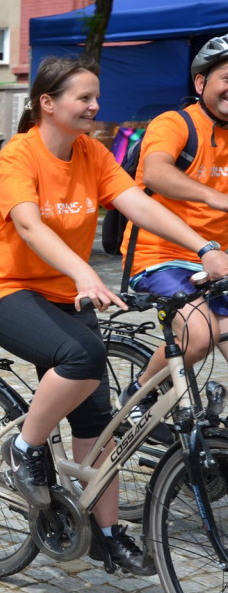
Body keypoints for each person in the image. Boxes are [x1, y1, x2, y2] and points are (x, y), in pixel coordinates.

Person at [0, 57, 228, 576]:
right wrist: (86, 274)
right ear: (48, 103)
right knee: (84, 355)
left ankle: (107, 535)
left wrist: (204, 248)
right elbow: (31, 227)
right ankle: (24, 447)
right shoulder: (19, 155)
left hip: (64, 293)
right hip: (2, 289)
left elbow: (138, 203)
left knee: (97, 422)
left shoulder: (91, 153)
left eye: (95, 97)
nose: (95, 107)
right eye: (84, 98)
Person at [117, 34, 228, 425]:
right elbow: (156, 172)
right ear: (201, 83)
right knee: (199, 336)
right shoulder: (175, 123)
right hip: (160, 256)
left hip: (219, 263)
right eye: (227, 77)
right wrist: (215, 198)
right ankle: (138, 395)